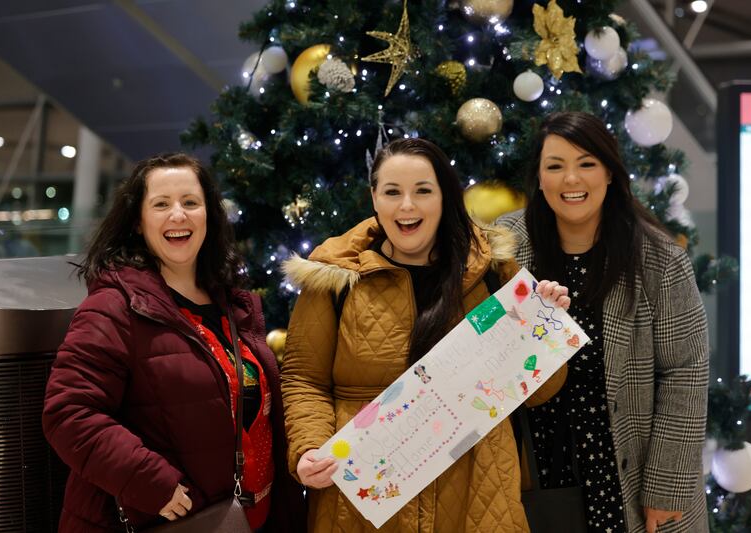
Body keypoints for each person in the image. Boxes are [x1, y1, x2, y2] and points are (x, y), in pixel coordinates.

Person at [280, 138, 571, 532]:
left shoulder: (492, 271)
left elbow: (538, 392)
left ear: (444, 197)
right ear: (374, 198)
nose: (407, 206)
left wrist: (544, 327)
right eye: (392, 192)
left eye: (422, 191)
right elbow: (304, 378)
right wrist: (309, 447)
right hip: (364, 497)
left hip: (478, 490)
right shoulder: (334, 277)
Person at [43, 153, 305, 532]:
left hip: (243, 520)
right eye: (161, 204)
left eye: (190, 203)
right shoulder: (113, 305)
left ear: (208, 216)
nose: (178, 215)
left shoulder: (233, 304)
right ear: (138, 221)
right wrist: (151, 482)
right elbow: (68, 412)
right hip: (165, 519)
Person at [497, 111, 709, 533]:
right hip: (535, 467)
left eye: (586, 164)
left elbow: (686, 373)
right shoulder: (507, 247)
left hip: (627, 474)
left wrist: (666, 488)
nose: (571, 180)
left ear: (610, 173)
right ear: (539, 178)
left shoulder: (658, 260)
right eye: (555, 166)